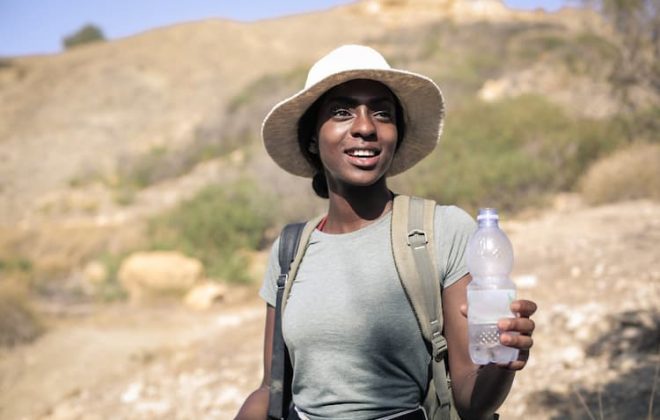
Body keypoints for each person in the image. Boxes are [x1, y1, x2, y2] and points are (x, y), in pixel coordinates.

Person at [236, 44, 537, 420]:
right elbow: (272, 388)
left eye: (382, 113)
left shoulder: (440, 231)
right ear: (313, 138)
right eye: (342, 112)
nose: (365, 127)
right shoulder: (291, 249)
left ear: (396, 134)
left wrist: (504, 358)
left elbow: (469, 398)